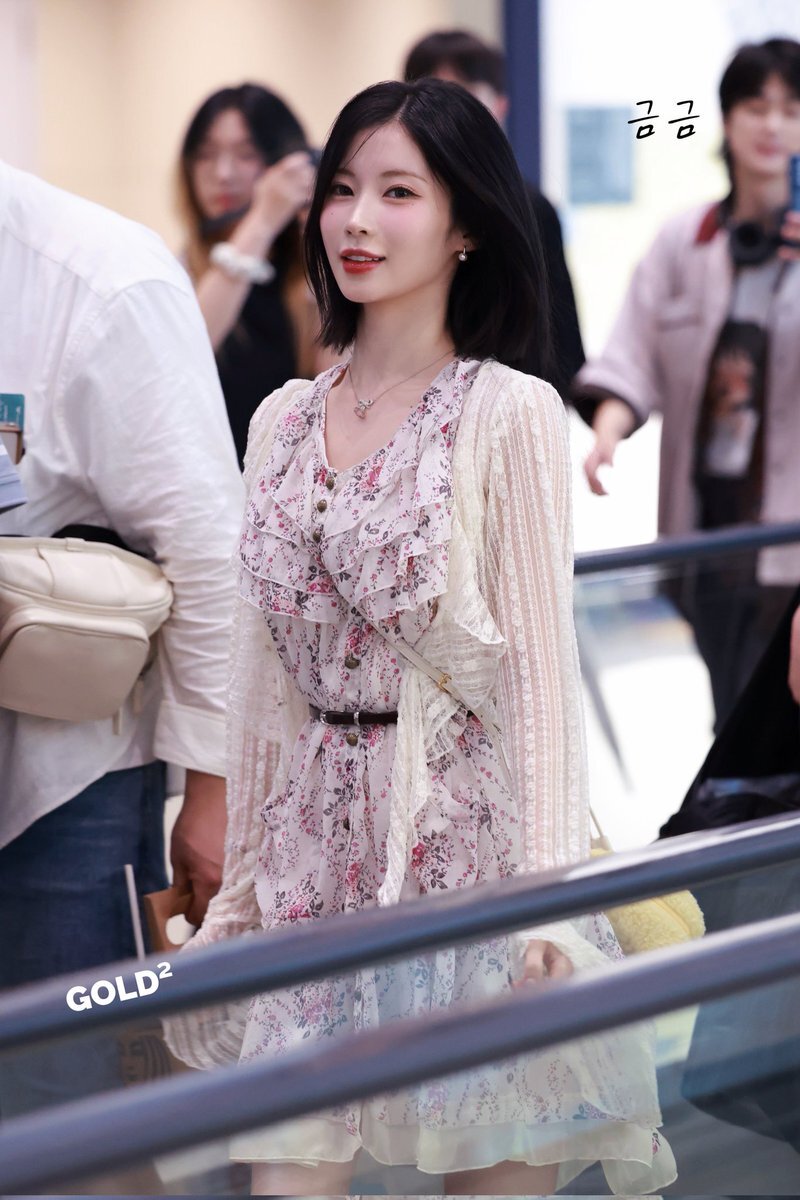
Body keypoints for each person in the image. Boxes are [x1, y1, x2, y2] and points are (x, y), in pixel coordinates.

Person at [167, 78, 675, 1196]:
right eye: (343, 189)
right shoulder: (282, 419)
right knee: (287, 1168)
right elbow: (262, 680)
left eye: (398, 192)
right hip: (312, 856)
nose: (357, 220)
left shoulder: (506, 411)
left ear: (464, 228)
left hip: (465, 850)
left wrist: (547, 906)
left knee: (487, 1164)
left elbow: (538, 677)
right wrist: (239, 890)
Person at [0, 159, 244, 1117]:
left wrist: (212, 795)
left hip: (66, 783)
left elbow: (211, 553)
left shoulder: (102, 279)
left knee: (69, 1099)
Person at [573, 38, 800, 729]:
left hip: (791, 536)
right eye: (755, 106)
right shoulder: (685, 238)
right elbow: (633, 351)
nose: (772, 125)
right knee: (730, 716)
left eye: (792, 109)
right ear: (726, 120)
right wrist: (608, 431)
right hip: (705, 532)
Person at [403, 27, 585, 395]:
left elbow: (559, 339)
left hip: (504, 400)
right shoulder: (391, 206)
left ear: (500, 106)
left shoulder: (530, 208)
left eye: (465, 95)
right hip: (402, 390)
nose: (446, 115)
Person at [177, 83, 325, 466]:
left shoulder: (307, 271)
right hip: (210, 480)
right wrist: (262, 220)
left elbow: (335, 387)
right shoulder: (180, 271)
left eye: (246, 155)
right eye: (206, 155)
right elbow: (184, 353)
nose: (223, 174)